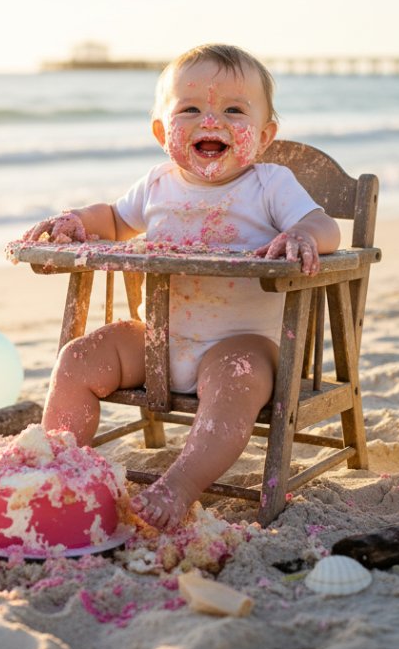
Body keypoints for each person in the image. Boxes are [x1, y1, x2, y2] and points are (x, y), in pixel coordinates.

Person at [21, 44, 341, 529]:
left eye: (233, 110)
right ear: (160, 131)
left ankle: (180, 484)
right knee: (77, 359)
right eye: (190, 109)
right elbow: (112, 218)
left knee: (236, 377)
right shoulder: (156, 184)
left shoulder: (270, 184)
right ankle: (62, 469)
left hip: (242, 346)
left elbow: (324, 225)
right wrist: (78, 221)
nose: (210, 120)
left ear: (266, 134)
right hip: (157, 342)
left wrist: (302, 235)